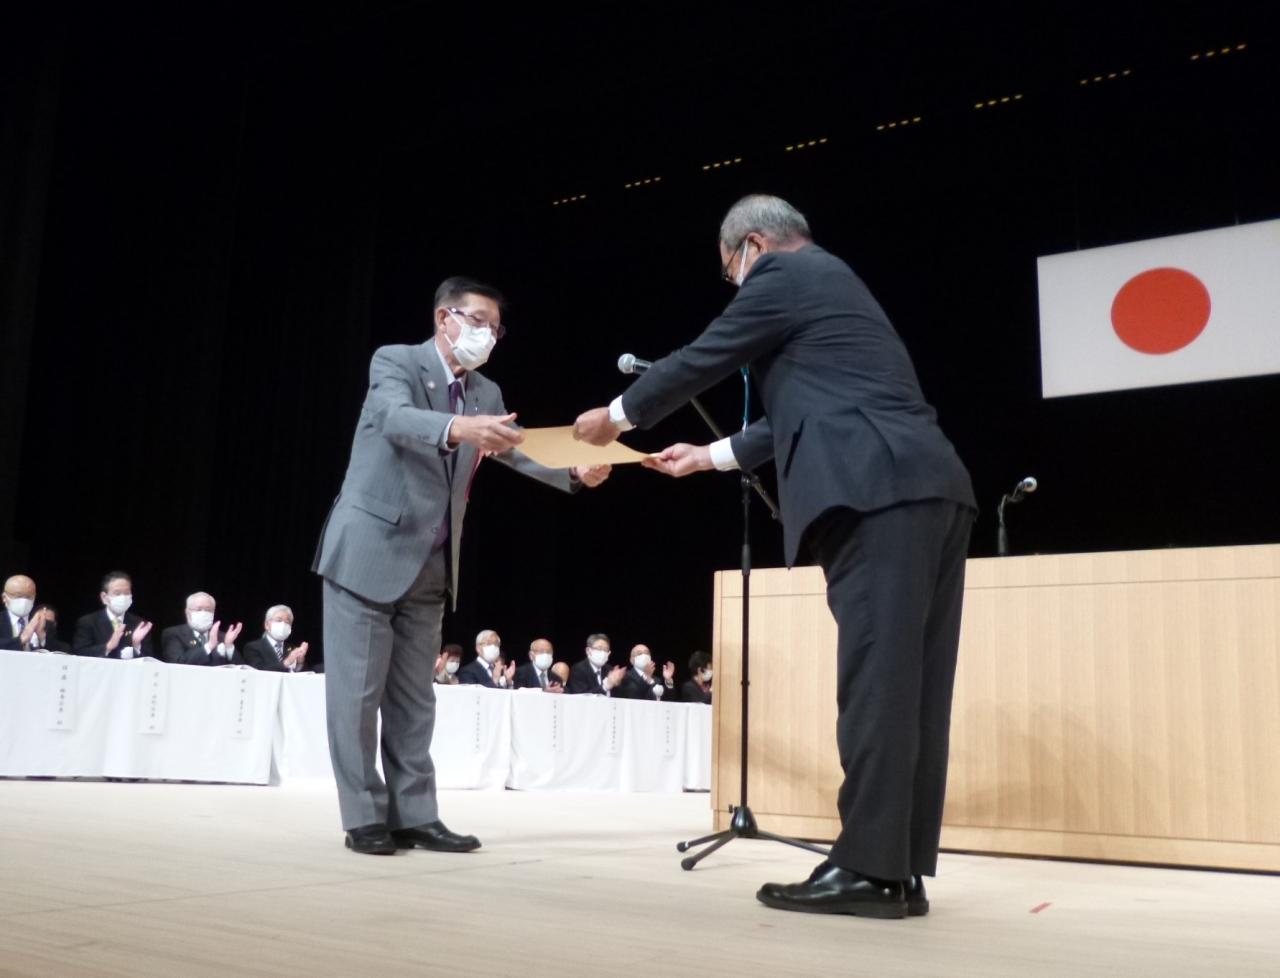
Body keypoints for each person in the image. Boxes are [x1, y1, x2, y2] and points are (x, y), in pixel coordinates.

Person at [574, 194, 976, 919]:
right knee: (911, 691)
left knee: (877, 686)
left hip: (875, 491)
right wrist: (710, 457)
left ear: (752, 245)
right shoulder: (834, 283)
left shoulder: (784, 277)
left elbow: (704, 357)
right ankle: (897, 869)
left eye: (732, 273)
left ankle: (866, 869)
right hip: (927, 487)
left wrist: (617, 417)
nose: (737, 287)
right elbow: (806, 410)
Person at [312, 275, 611, 856]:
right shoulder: (395, 362)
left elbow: (513, 447)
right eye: (477, 322)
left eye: (495, 329)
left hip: (431, 561)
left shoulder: (486, 392)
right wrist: (457, 428)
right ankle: (364, 816)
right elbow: (396, 420)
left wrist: (574, 472)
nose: (487, 336)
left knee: (415, 701)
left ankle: (416, 815)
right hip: (368, 552)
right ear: (445, 317)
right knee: (356, 696)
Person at [72, 571, 155, 659]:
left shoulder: (139, 623)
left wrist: (136, 645)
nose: (123, 597)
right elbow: (79, 653)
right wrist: (108, 646)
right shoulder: (88, 622)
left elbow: (150, 660)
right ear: (104, 597)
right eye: (117, 593)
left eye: (127, 593)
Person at [160, 592, 242, 666]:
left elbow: (242, 670)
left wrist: (229, 647)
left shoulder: (223, 637)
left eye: (208, 610)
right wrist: (209, 646)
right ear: (187, 612)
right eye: (198, 609)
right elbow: (176, 663)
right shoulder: (173, 633)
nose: (203, 613)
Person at [241, 605, 309, 672]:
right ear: (267, 625)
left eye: (287, 622)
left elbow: (304, 676)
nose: (283, 625)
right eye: (278, 620)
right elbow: (258, 670)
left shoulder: (292, 649)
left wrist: (300, 662)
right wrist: (285, 663)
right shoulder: (253, 647)